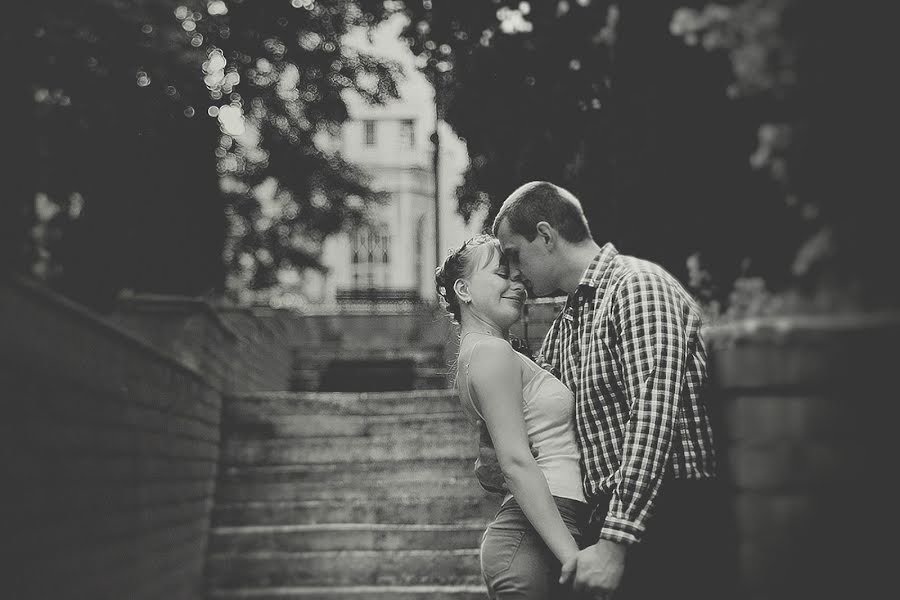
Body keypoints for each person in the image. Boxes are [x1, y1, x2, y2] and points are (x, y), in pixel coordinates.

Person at [483, 181, 723, 599]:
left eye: (514, 254)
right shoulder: (565, 326)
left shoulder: (637, 287)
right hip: (608, 517)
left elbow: (652, 416)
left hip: (669, 517)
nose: (514, 272)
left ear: (546, 235)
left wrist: (616, 543)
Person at [435, 234, 589, 599]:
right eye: (501, 273)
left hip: (541, 534)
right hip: (535, 541)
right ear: (464, 289)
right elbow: (515, 462)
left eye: (517, 276)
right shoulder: (491, 353)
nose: (516, 283)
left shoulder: (482, 353)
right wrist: (573, 558)